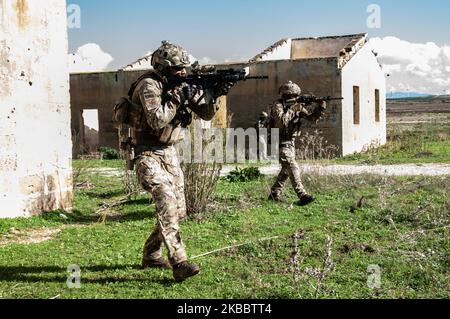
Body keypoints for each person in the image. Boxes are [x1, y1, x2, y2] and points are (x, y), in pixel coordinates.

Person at [129, 41, 232, 282]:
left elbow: (206, 113)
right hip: (146, 151)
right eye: (177, 69)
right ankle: (179, 262)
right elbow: (156, 121)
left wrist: (215, 93)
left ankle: (152, 253)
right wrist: (176, 99)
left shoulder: (181, 84)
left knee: (179, 210)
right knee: (165, 196)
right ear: (163, 68)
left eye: (184, 68)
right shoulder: (149, 85)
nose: (183, 73)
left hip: (168, 151)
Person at [262, 81, 327, 206]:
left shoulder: (297, 106)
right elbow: (281, 121)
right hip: (279, 140)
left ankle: (274, 194)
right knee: (293, 166)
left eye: (294, 96)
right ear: (284, 96)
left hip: (290, 141)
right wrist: (294, 107)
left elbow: (312, 119)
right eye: (289, 96)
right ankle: (302, 195)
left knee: (286, 170)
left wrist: (320, 108)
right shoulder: (278, 105)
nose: (292, 98)